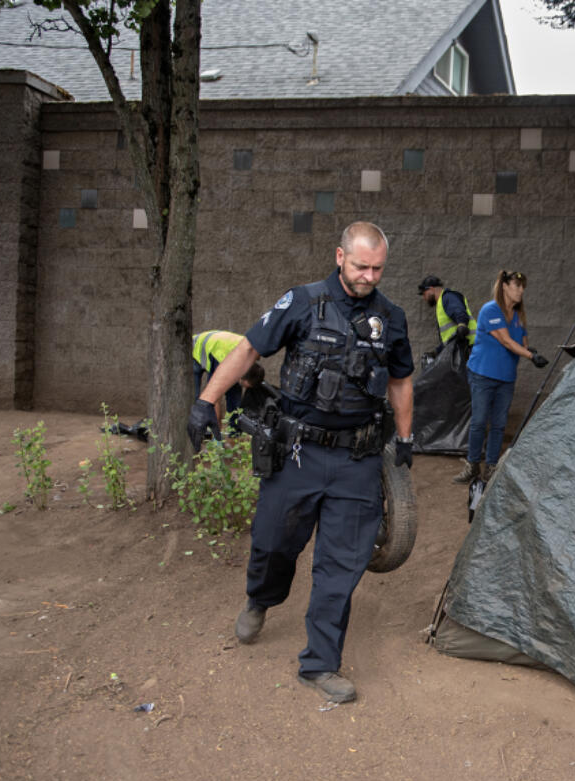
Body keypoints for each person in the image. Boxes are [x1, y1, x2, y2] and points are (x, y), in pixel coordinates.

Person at [187, 221, 415, 704]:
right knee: (273, 542)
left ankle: (319, 664)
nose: (368, 276)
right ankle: (260, 599)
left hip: (358, 458)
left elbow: (400, 380)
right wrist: (207, 401)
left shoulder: (390, 318)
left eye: (377, 268)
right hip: (298, 452)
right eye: (360, 266)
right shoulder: (303, 302)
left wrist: (407, 436)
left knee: (341, 567)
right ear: (339, 257)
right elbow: (249, 347)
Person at [453, 270, 547, 484]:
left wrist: (530, 350)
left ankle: (491, 467)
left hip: (506, 378)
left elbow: (521, 343)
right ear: (504, 286)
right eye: (517, 286)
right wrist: (531, 356)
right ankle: (473, 465)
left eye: (523, 287)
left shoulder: (519, 315)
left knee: (499, 424)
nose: (521, 290)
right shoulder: (490, 310)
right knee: (479, 421)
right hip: (483, 375)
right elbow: (505, 341)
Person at [192, 330, 265, 414]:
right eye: (244, 385)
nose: (244, 388)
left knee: (234, 395)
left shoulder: (251, 356)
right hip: (196, 348)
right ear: (240, 375)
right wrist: (217, 426)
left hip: (219, 344)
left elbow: (235, 400)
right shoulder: (222, 361)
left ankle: (233, 426)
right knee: (193, 398)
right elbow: (213, 399)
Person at [418, 275, 476, 356]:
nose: (424, 298)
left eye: (424, 294)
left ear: (431, 289)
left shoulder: (447, 297)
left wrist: (462, 325)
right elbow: (449, 338)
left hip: (469, 349)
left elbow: (459, 312)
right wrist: (437, 352)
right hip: (462, 350)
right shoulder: (441, 304)